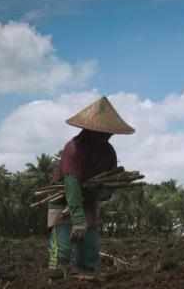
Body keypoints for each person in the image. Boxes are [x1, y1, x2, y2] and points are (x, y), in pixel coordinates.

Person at [48, 96, 135, 273]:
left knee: (89, 254)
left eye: (110, 132)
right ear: (90, 130)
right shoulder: (73, 149)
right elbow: (71, 186)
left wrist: (103, 193)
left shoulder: (108, 152)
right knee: (62, 252)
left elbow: (109, 184)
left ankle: (85, 288)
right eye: (105, 131)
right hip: (63, 202)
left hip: (89, 202)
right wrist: (79, 221)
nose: (109, 135)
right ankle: (54, 285)